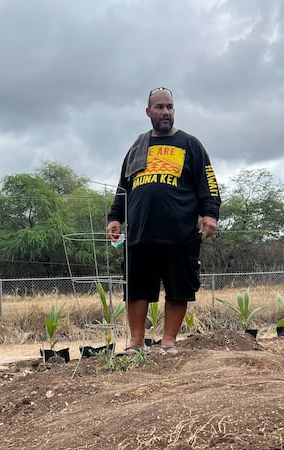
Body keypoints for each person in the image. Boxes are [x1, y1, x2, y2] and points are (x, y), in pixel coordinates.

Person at [106, 87, 221, 356]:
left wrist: (210, 213)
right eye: (159, 107)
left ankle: (168, 342)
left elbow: (209, 184)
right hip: (140, 232)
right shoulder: (137, 146)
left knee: (179, 288)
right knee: (136, 289)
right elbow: (124, 187)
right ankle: (136, 342)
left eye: (170, 107)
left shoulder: (190, 144)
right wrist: (115, 218)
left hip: (179, 233)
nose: (165, 112)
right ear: (148, 112)